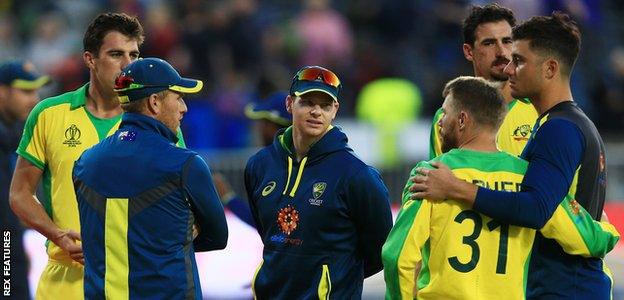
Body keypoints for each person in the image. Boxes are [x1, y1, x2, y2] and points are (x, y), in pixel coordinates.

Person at [411, 12, 614, 299]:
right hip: (519, 280)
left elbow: (537, 207)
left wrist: (597, 236)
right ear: (469, 51)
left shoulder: (558, 129)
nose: (508, 65)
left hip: (562, 284)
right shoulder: (563, 124)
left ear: (550, 69)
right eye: (490, 43)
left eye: (517, 58)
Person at [382, 76, 619, 299]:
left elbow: (398, 256)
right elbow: (585, 239)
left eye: (444, 113)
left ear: (462, 120)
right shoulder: (527, 176)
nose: (440, 122)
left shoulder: (431, 176)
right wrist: (607, 232)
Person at [8, 13, 178, 299]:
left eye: (134, 55)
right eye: (116, 54)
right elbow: (20, 194)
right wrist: (57, 235)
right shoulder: (49, 114)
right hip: (66, 278)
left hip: (135, 279)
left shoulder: (157, 115)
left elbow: (182, 197)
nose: (128, 66)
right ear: (90, 59)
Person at [73, 57, 228, 299]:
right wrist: (165, 243)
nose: (184, 108)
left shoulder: (84, 162)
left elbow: (104, 235)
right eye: (178, 97)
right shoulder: (186, 164)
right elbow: (218, 236)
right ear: (154, 102)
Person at [244, 65, 392, 299]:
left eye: (324, 105)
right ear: (290, 104)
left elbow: (379, 251)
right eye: (307, 102)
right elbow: (269, 233)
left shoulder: (357, 175)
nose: (316, 111)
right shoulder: (259, 165)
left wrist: (333, 280)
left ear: (335, 110)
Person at [429, 3, 537, 159]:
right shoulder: (446, 118)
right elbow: (438, 180)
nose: (501, 52)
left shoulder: (539, 111)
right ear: (468, 51)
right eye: (489, 43)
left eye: (507, 41)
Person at [0, 59, 48, 300]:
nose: (34, 99)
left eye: (36, 91)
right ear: (2, 91)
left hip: (11, 242)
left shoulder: (17, 134)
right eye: (26, 91)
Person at [212, 91, 292, 227]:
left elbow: (266, 223)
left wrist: (228, 198)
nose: (260, 129)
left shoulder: (282, 167)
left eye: (263, 123)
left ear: (272, 126)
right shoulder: (283, 162)